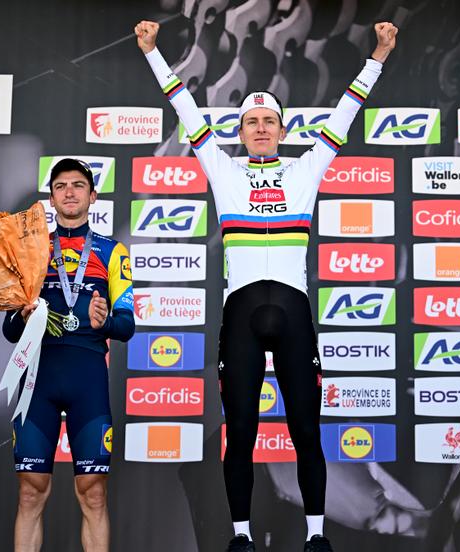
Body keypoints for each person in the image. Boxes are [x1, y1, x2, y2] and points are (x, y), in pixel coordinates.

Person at [136, 19, 397, 552]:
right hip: (243, 315)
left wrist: (378, 54)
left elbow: (347, 110)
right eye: (251, 122)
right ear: (240, 132)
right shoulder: (223, 169)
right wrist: (153, 53)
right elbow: (185, 107)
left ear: (282, 130)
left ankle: (317, 536)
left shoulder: (306, 169)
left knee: (306, 430)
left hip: (293, 313)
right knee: (241, 433)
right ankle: (241, 536)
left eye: (268, 121)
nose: (259, 128)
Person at [2, 158, 135, 552]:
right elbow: (9, 331)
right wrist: (22, 315)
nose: (70, 192)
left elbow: (127, 326)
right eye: (60, 186)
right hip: (37, 380)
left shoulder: (112, 251)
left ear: (92, 196)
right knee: (30, 491)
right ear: (51, 198)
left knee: (93, 493)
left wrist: (105, 321)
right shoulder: (31, 252)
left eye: (78, 185)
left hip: (87, 379)